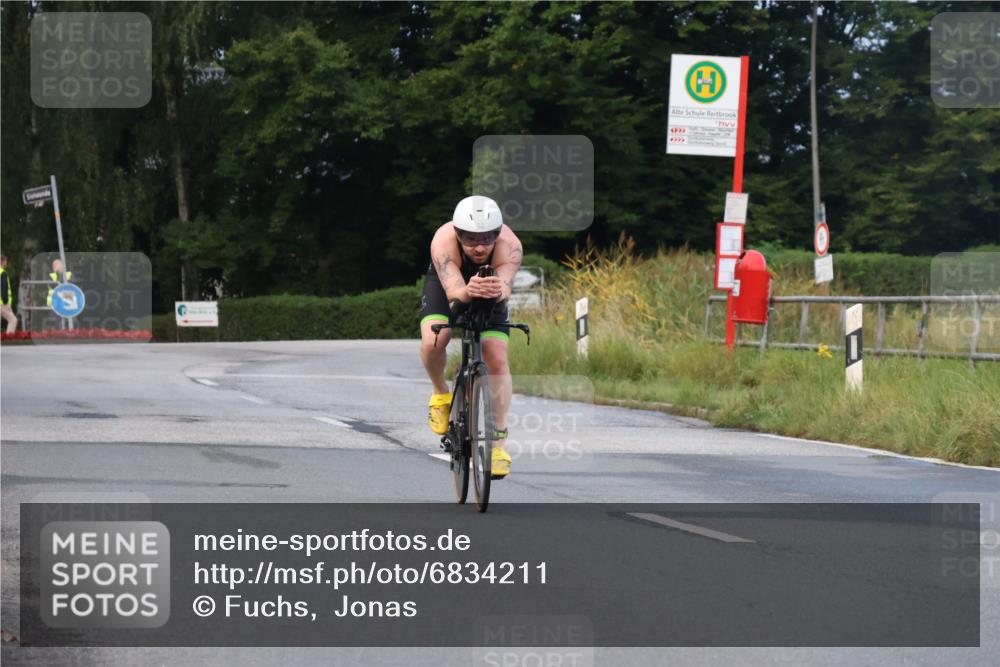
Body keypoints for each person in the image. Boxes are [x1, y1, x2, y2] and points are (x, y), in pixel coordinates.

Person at [419, 195, 523, 478]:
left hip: (490, 287)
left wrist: (494, 290)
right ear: (457, 233)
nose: (479, 247)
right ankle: (440, 394)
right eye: (470, 239)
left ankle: (498, 445)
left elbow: (505, 289)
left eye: (487, 239)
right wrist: (468, 290)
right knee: (434, 340)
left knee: (496, 357)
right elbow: (455, 293)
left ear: (498, 233)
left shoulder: (510, 245)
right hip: (447, 284)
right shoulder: (443, 242)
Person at [0, 254, 17, 334]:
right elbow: (4, 288)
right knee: (13, 320)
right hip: (3, 304)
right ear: (2, 262)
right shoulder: (2, 273)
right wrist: (5, 300)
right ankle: (8, 338)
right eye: (5, 261)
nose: (6, 263)